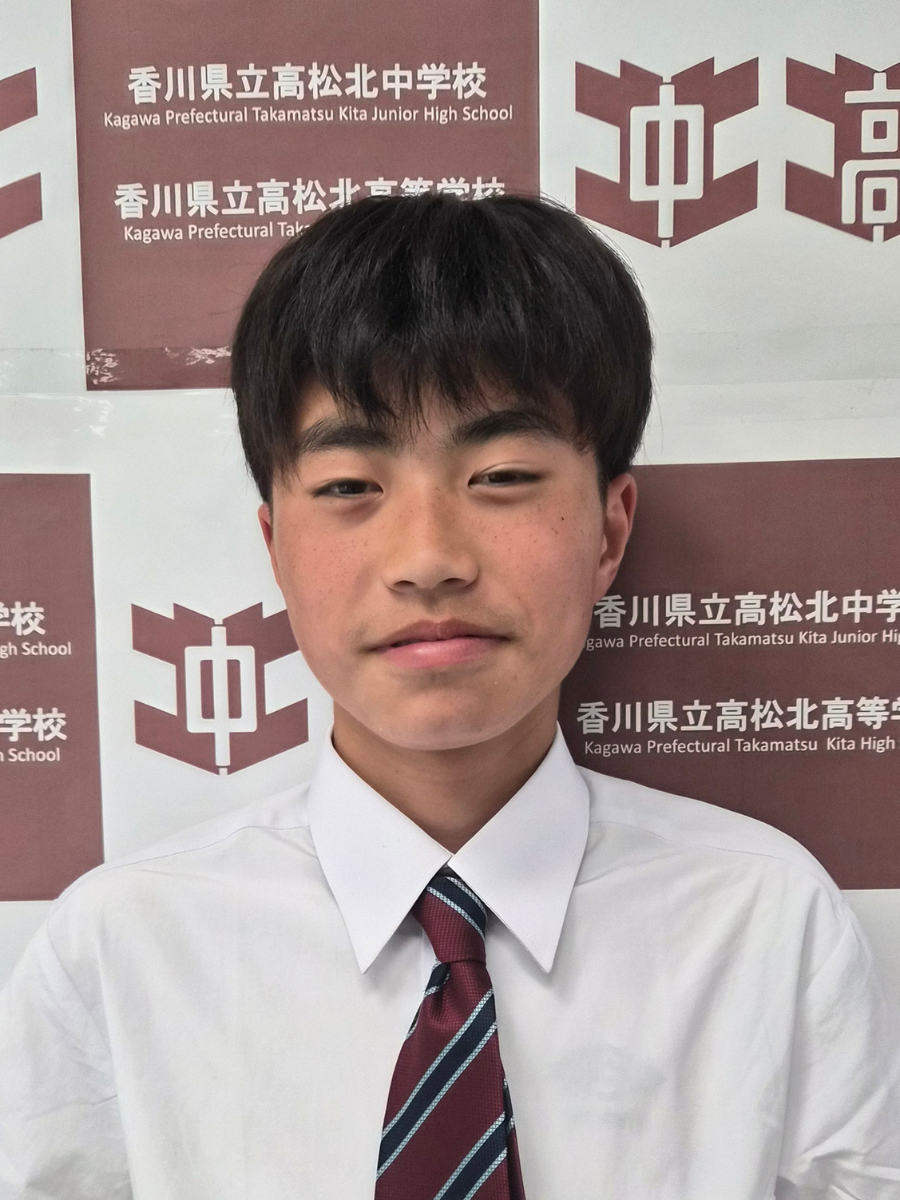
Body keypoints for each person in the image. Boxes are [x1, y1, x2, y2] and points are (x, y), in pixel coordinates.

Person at [1, 193, 898, 1200]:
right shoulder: (123, 950)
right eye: (350, 486)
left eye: (502, 474)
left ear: (609, 532)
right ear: (276, 548)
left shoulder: (764, 924)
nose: (428, 558)